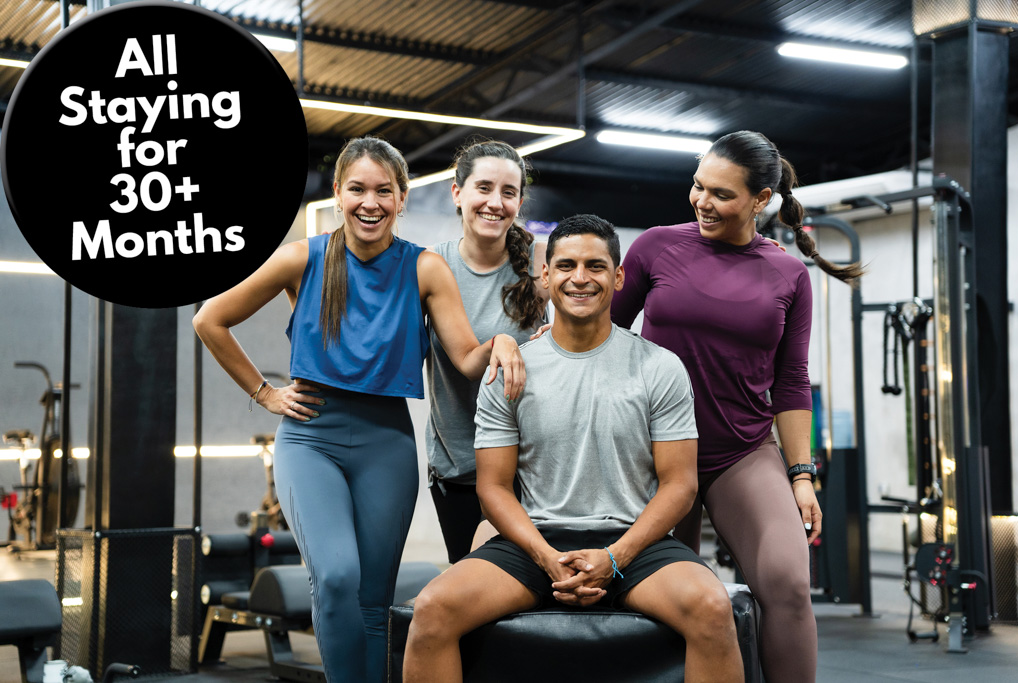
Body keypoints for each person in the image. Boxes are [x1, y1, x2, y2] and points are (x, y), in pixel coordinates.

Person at [192, 136, 525, 683]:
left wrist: (504, 345)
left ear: (402, 199)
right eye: (357, 190)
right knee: (338, 575)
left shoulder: (424, 269)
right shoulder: (304, 257)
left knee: (374, 598)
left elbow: (467, 358)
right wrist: (265, 393)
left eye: (383, 191)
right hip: (311, 438)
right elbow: (210, 319)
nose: (370, 203)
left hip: (386, 442)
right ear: (339, 194)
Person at [403, 214, 745, 683]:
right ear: (546, 276)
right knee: (432, 610)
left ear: (618, 277)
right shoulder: (511, 370)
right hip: (536, 542)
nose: (579, 278)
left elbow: (680, 485)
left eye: (595, 266)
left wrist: (615, 558)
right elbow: (494, 489)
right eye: (565, 265)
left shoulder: (659, 368)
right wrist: (545, 556)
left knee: (711, 608)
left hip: (633, 544)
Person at [610, 130, 864, 683]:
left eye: (721, 194)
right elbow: (599, 335)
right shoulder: (656, 246)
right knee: (663, 601)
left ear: (761, 199)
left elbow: (791, 381)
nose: (702, 201)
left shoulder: (789, 274)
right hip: (651, 452)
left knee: (789, 585)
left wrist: (801, 474)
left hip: (740, 452)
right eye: (698, 186)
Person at [426, 140, 548, 564]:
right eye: (483, 188)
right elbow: (462, 362)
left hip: (531, 469)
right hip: (458, 469)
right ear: (457, 193)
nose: (495, 203)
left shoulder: (541, 260)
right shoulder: (430, 267)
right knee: (473, 598)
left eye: (509, 192)